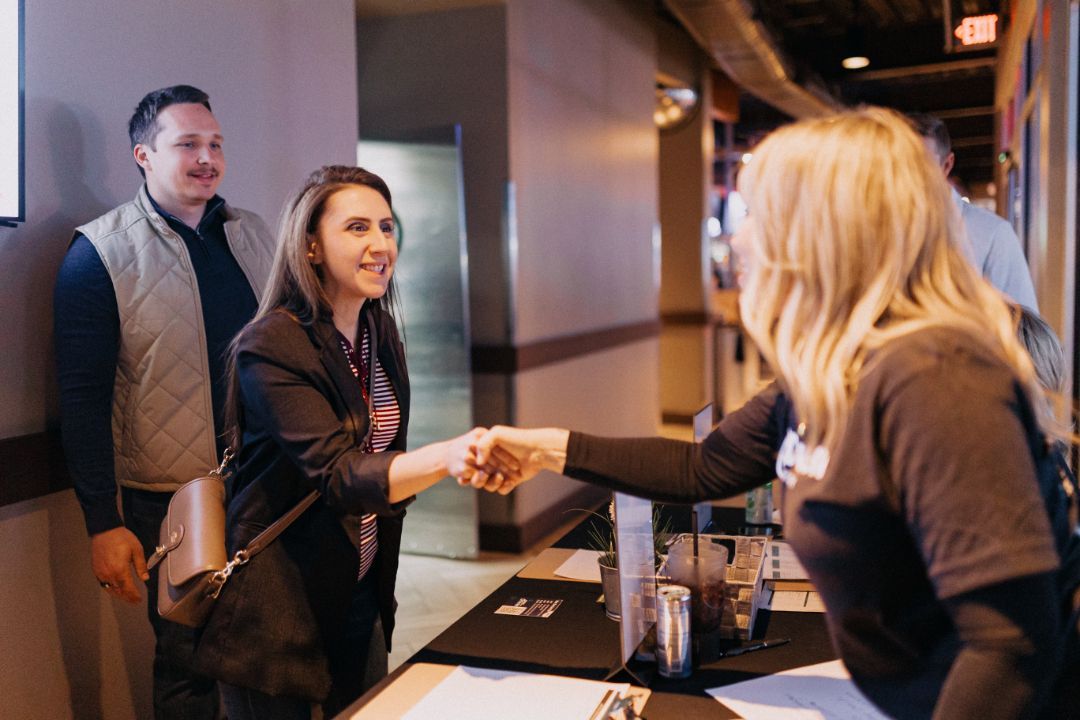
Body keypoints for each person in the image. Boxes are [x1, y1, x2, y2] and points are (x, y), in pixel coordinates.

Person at [469, 108, 1073, 719]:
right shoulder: (836, 366)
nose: (741, 236)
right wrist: (546, 449)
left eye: (762, 213)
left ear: (826, 232)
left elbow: (1008, 644)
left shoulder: (936, 378)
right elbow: (701, 468)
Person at [193, 165, 512, 719]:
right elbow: (339, 475)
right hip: (277, 606)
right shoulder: (272, 344)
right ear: (311, 246)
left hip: (360, 590)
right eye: (357, 228)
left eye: (387, 228)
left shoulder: (377, 330)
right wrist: (446, 456)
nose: (380, 244)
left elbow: (383, 460)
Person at [54, 85, 276, 719]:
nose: (206, 158)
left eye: (215, 145)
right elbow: (83, 400)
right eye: (187, 145)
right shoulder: (98, 253)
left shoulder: (254, 235)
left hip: (270, 483)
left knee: (276, 657)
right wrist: (103, 521)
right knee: (190, 666)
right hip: (173, 499)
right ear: (144, 156)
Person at [909, 112, 1039, 310]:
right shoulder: (883, 230)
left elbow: (1027, 333)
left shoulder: (993, 235)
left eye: (921, 163)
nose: (907, 174)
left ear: (946, 165)